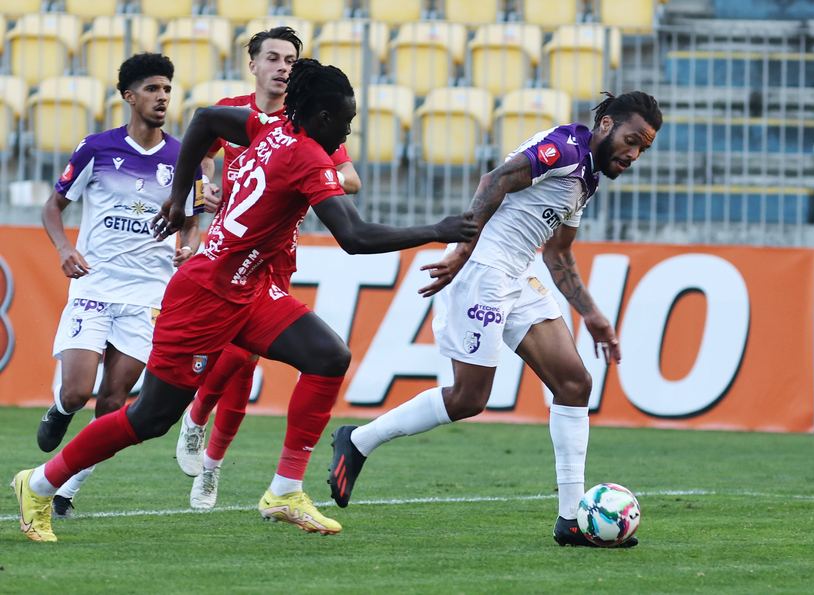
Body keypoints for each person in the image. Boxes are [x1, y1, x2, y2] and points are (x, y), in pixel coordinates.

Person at [11, 58, 477, 543]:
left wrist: (177, 196)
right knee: (150, 417)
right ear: (321, 118)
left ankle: (284, 490)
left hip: (247, 289)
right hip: (205, 296)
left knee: (328, 356)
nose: (347, 132)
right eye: (345, 121)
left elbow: (205, 119)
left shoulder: (268, 124)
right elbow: (354, 236)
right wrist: (435, 230)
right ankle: (40, 483)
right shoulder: (310, 158)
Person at [328, 91, 662, 548]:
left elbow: (559, 252)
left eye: (643, 147)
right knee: (469, 398)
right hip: (481, 268)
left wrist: (593, 315)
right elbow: (495, 179)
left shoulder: (586, 177)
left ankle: (570, 520)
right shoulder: (564, 149)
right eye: (631, 140)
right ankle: (359, 439)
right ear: (606, 124)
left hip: (518, 272)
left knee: (574, 382)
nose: (634, 153)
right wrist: (463, 252)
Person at [173, 26, 362, 510]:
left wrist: (313, 174)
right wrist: (199, 196)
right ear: (253, 65)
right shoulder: (240, 110)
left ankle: (209, 463)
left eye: (291, 60)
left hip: (275, 256)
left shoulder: (308, 123)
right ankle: (197, 422)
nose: (282, 67)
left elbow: (352, 179)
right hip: (231, 250)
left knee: (242, 363)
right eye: (274, 58)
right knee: (233, 358)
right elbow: (201, 162)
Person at [34, 53, 202, 520]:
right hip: (96, 285)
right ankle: (59, 411)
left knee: (114, 404)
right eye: (152, 89)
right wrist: (64, 249)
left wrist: (189, 244)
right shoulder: (97, 148)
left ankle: (65, 487)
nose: (162, 97)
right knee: (76, 392)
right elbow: (53, 206)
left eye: (167, 89)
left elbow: (192, 222)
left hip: (148, 296)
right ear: (130, 96)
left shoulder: (182, 157)